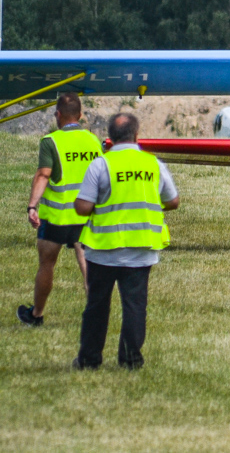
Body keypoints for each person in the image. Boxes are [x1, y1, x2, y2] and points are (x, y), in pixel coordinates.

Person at [72, 113, 180, 370]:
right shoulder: (152, 163)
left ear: (110, 138)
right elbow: (173, 201)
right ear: (136, 135)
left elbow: (83, 207)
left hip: (103, 250)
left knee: (97, 307)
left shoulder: (101, 165)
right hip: (140, 249)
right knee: (134, 307)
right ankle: (131, 359)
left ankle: (89, 360)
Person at [18, 93, 103, 327]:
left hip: (56, 217)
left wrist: (32, 206)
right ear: (81, 115)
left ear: (57, 115)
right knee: (88, 267)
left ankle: (36, 314)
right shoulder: (93, 141)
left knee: (46, 265)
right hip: (86, 215)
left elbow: (44, 174)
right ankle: (95, 316)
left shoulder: (51, 141)